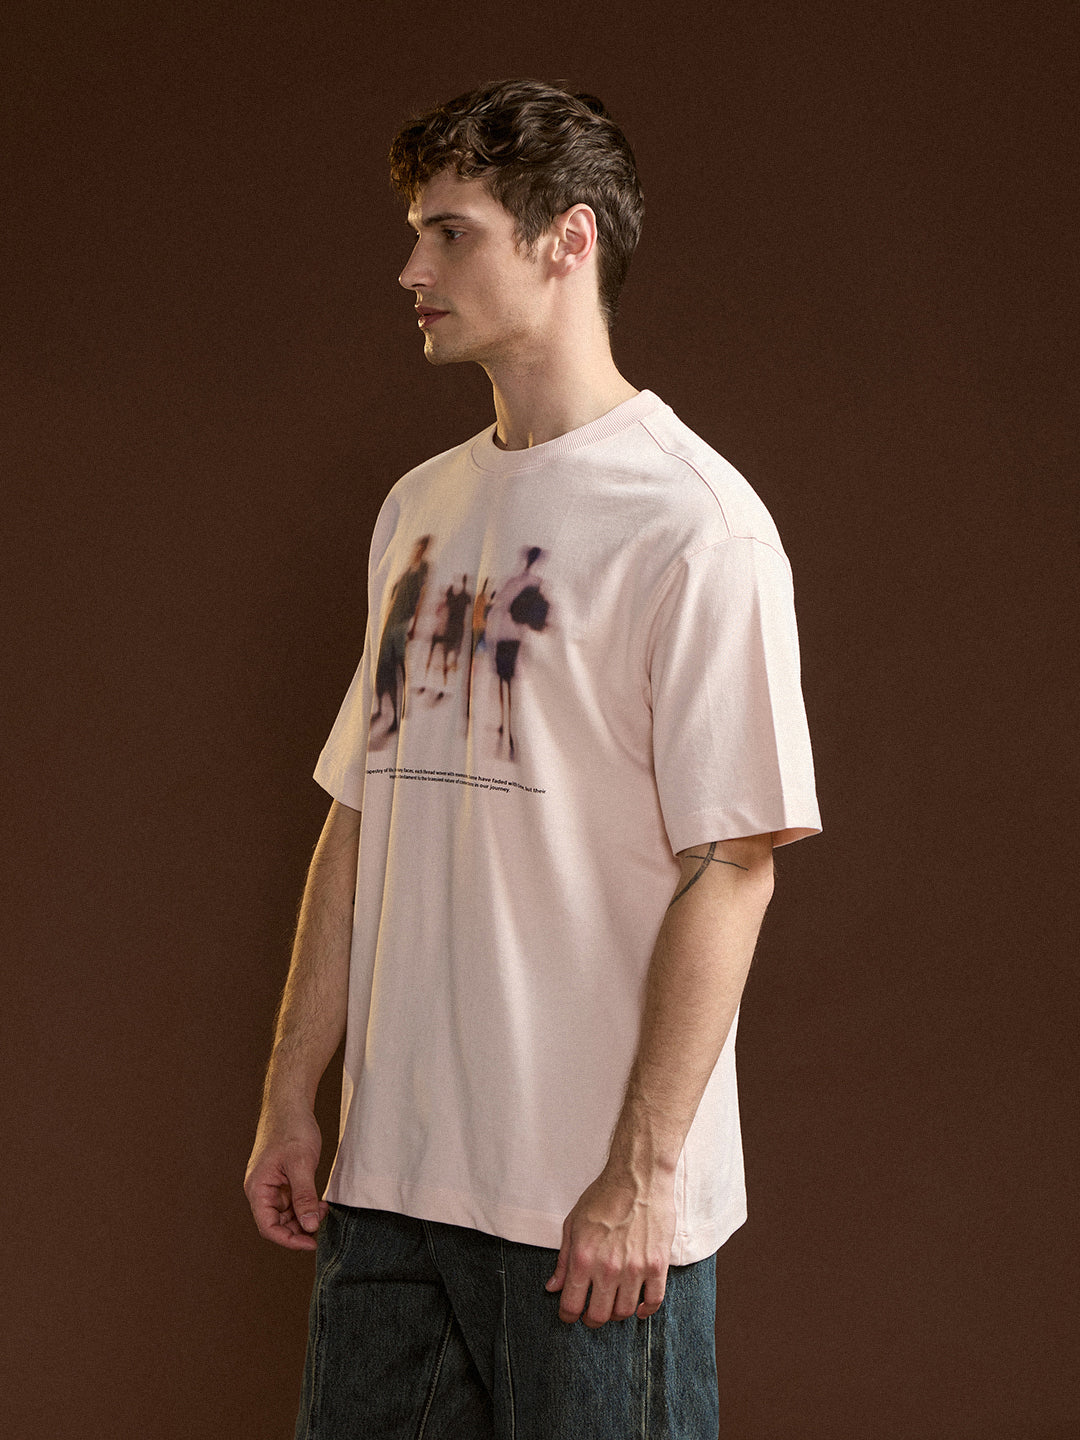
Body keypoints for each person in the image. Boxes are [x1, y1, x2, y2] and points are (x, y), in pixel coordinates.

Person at [244, 77, 821, 1439]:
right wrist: (291, 1091)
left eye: (450, 233)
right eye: (416, 233)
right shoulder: (421, 506)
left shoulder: (695, 526)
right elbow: (361, 813)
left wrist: (643, 1174)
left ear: (569, 240)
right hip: (392, 1191)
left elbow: (733, 866)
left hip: (587, 1213)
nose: (411, 270)